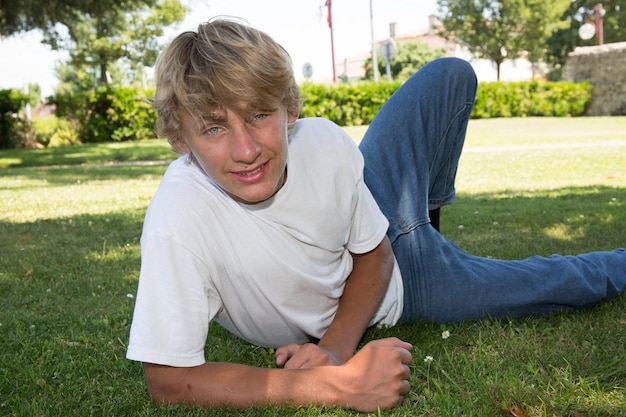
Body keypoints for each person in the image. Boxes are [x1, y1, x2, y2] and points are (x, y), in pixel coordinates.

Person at [126, 17, 626, 412]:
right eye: (213, 129)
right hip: (411, 289)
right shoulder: (179, 216)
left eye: (259, 114)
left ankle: (426, 225)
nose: (246, 149)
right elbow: (169, 380)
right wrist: (332, 388)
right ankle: (435, 247)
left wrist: (334, 353)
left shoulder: (321, 140)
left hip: (387, 245)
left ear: (289, 109)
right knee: (561, 282)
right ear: (180, 140)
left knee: (451, 75)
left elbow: (376, 253)